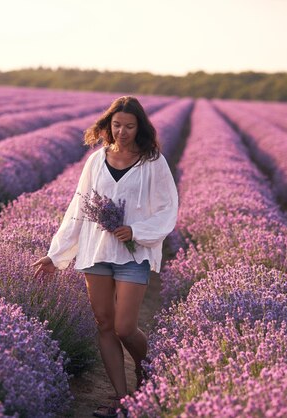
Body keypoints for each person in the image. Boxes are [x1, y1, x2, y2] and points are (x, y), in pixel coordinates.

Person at [32, 96, 178, 418]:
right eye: (116, 125)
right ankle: (121, 398)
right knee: (104, 324)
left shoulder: (152, 162)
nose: (122, 132)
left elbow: (170, 208)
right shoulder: (97, 161)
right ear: (107, 126)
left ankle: (146, 371)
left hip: (133, 254)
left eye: (129, 126)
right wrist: (55, 255)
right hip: (96, 251)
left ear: (139, 127)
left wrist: (136, 231)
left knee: (125, 327)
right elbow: (79, 206)